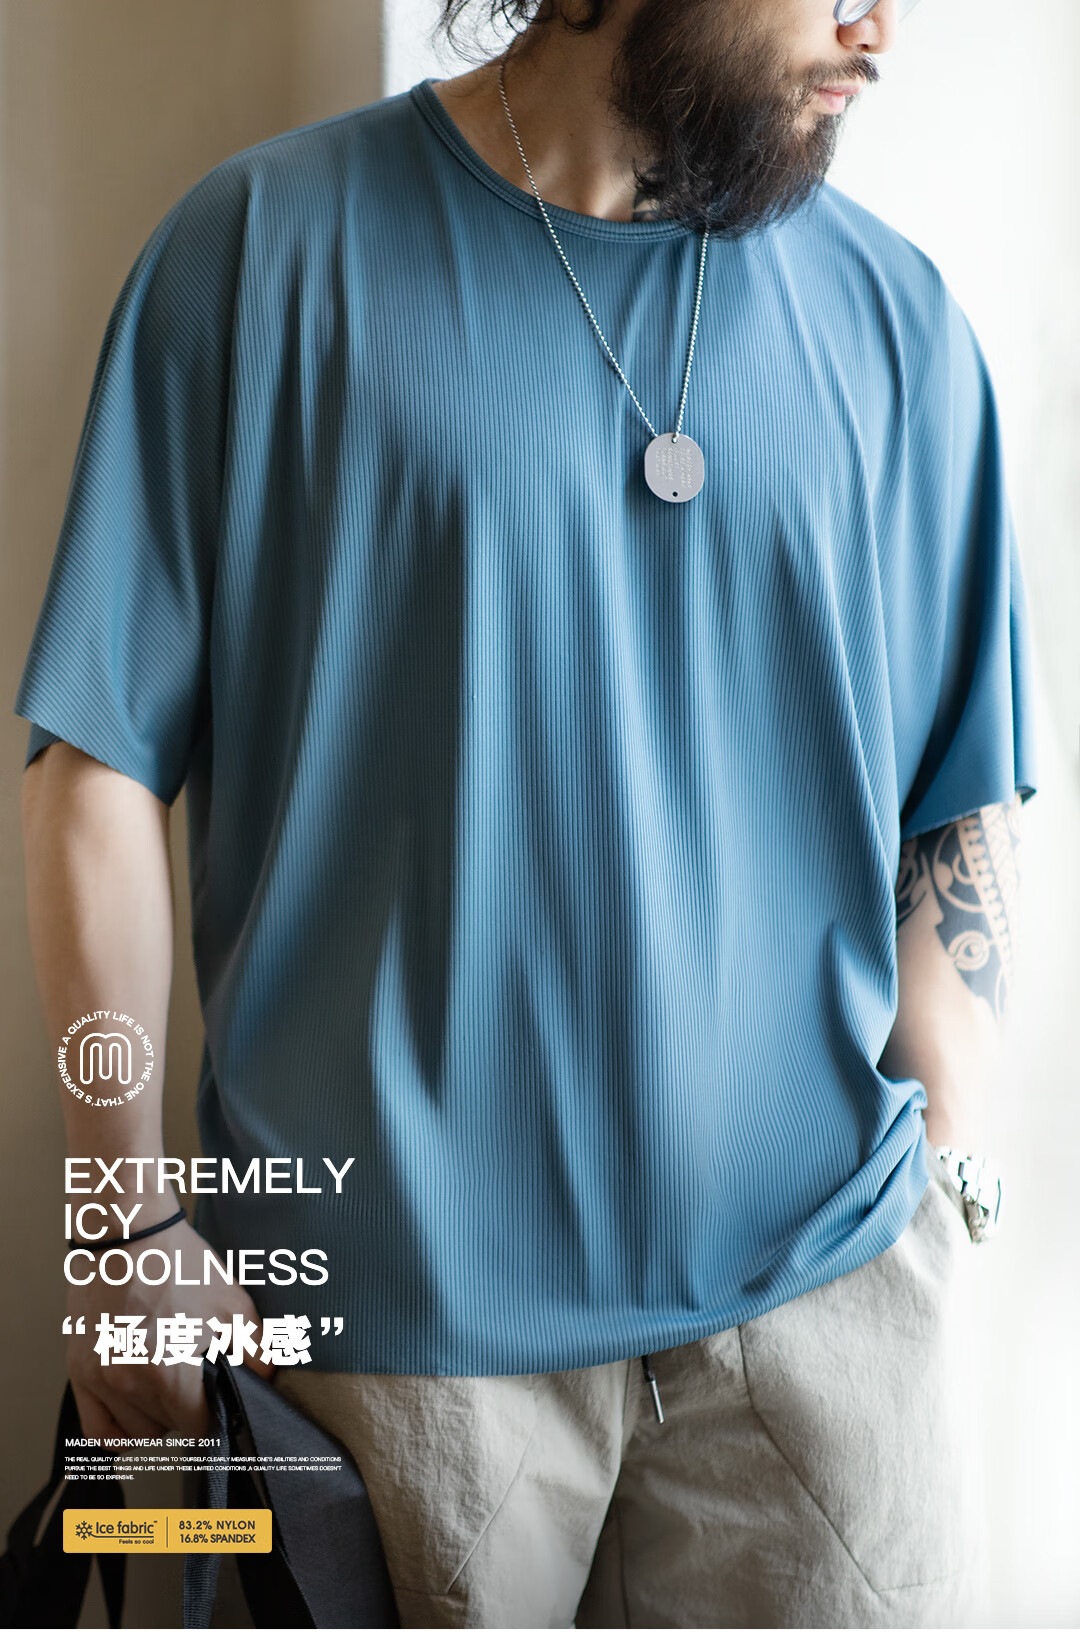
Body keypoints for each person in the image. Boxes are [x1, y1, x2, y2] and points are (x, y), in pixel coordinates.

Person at [15, 0, 1037, 1625]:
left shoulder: (897, 321)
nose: (879, 27)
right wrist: (119, 1226)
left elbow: (957, 807)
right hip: (387, 1343)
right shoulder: (266, 252)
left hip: (826, 1324)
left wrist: (951, 1192)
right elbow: (100, 765)